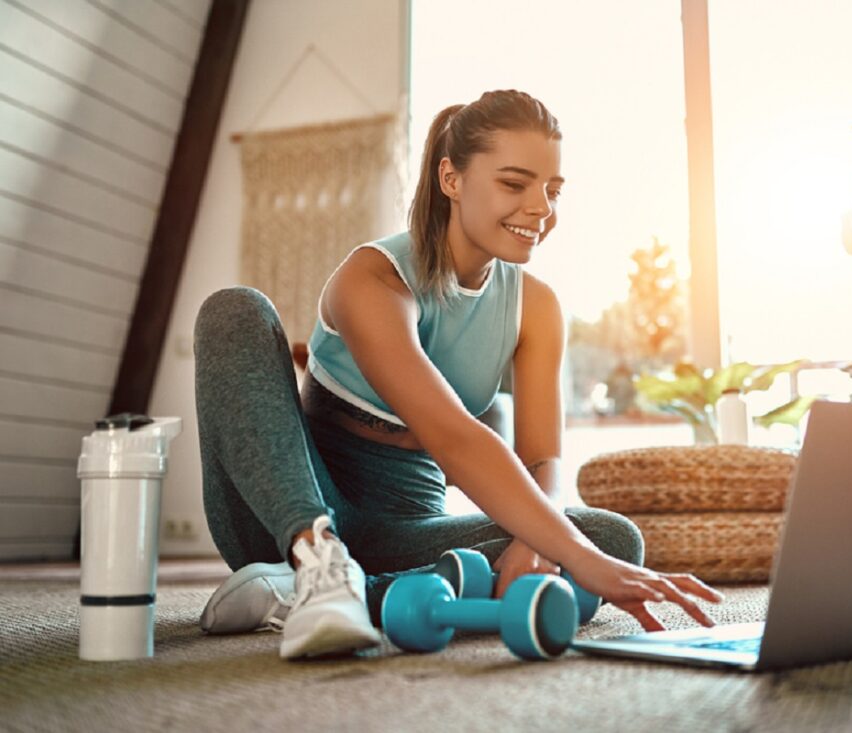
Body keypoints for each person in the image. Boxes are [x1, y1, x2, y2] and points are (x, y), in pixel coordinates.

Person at [194, 89, 722, 659]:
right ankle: (314, 564)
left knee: (611, 538)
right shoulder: (372, 277)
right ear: (451, 179)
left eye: (552, 189)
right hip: (287, 509)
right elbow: (450, 434)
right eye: (515, 184)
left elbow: (542, 459)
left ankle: (314, 593)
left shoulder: (536, 308)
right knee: (235, 309)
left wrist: (535, 539)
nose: (541, 207)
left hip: (405, 526)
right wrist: (581, 561)